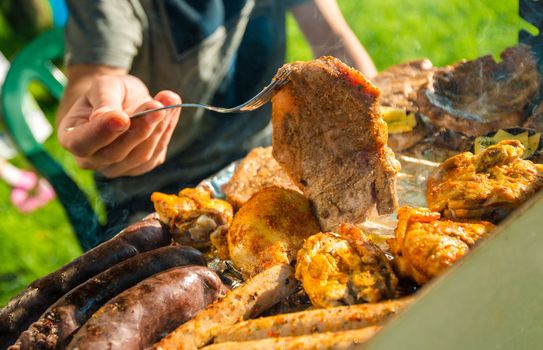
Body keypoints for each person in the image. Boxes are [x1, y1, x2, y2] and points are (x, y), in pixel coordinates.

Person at [57, 0, 377, 238]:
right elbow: (92, 77)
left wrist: (372, 113)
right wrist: (101, 108)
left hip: (267, 159)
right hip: (156, 189)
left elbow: (329, 33)